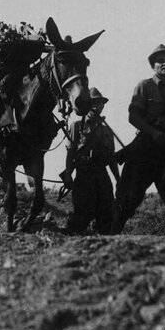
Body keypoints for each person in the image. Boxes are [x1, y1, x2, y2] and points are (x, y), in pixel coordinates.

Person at [110, 44, 165, 233]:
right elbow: (134, 117)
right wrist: (154, 133)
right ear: (153, 65)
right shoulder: (145, 86)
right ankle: (108, 239)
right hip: (145, 150)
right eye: (160, 61)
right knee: (128, 200)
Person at [60, 88, 115, 234]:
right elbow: (70, 153)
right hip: (84, 174)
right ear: (87, 105)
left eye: (100, 103)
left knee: (106, 215)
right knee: (82, 215)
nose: (98, 106)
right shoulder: (77, 126)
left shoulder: (107, 131)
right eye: (94, 103)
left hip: (102, 175)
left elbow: (112, 158)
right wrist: (67, 175)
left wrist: (119, 178)